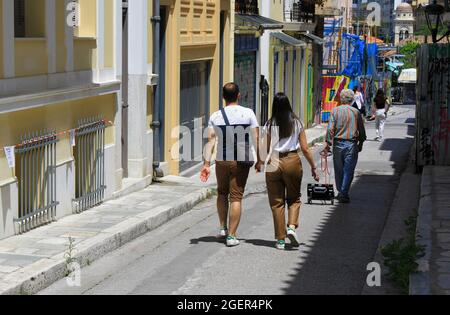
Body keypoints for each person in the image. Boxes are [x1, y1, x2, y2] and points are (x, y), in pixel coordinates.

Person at [200, 83, 262, 247]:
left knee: (221, 193)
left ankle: (222, 227)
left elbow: (211, 141)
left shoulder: (215, 116)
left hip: (221, 160)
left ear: (223, 97)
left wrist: (206, 164)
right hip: (240, 160)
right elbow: (256, 138)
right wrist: (260, 159)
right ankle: (232, 236)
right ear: (239, 95)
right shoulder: (248, 113)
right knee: (236, 197)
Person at [263, 93, 319, 250]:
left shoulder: (269, 123)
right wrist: (314, 166)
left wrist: (261, 162)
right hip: (292, 160)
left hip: (274, 161)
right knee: (294, 198)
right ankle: (291, 227)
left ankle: (280, 240)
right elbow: (305, 148)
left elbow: (265, 148)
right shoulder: (296, 122)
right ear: (288, 104)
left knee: (276, 202)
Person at [323, 89, 367, 204]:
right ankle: (344, 193)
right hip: (351, 144)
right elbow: (361, 130)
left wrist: (328, 144)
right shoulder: (356, 112)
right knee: (349, 170)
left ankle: (341, 191)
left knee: (339, 169)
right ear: (352, 99)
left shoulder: (335, 111)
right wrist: (361, 143)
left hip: (337, 144)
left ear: (341, 98)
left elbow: (330, 129)